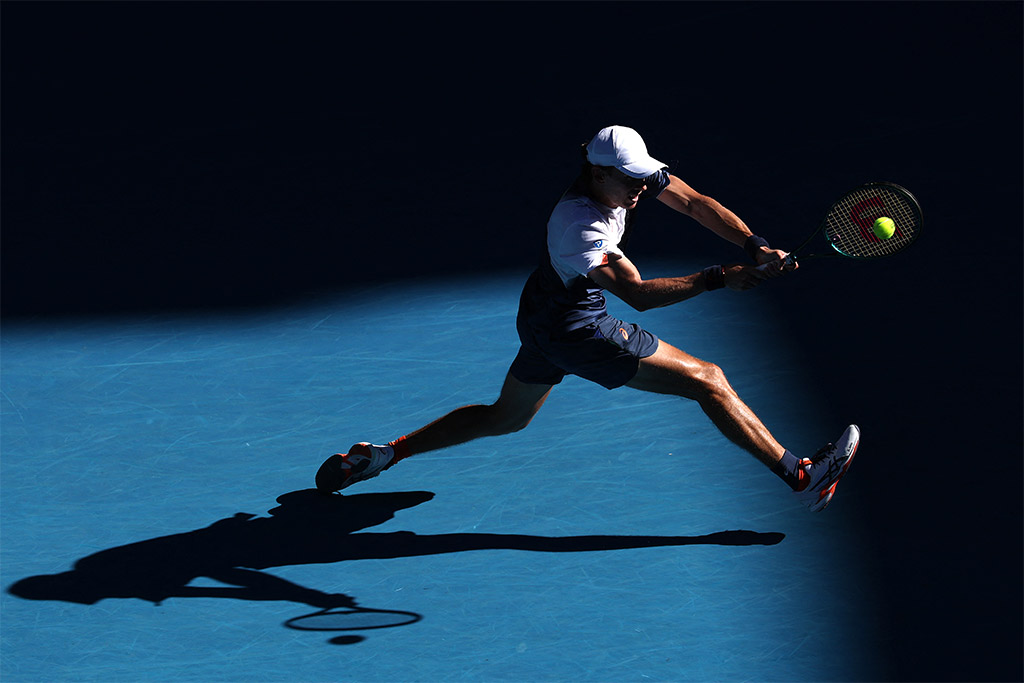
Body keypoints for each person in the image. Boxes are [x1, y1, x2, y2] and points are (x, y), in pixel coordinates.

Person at [316, 125, 859, 512]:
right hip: (579, 327)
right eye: (631, 181)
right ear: (598, 174)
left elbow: (694, 202)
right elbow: (639, 295)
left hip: (543, 314)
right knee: (710, 381)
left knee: (506, 416)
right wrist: (721, 276)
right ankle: (802, 476)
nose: (642, 187)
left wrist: (755, 245)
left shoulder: (625, 178)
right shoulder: (580, 227)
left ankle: (384, 455)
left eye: (644, 177)